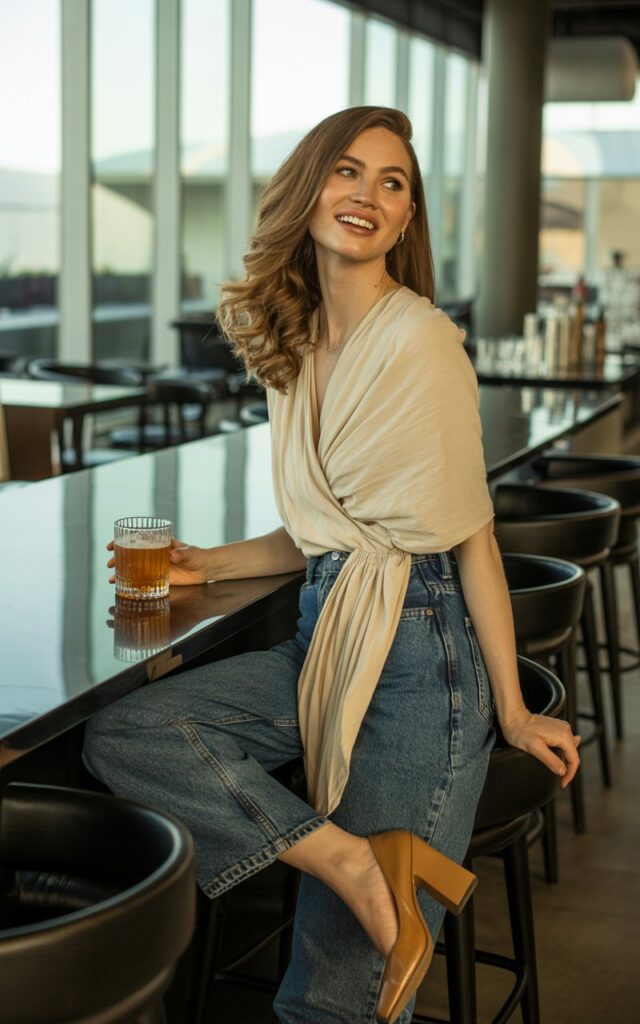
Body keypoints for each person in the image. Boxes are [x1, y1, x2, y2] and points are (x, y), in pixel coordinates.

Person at [83, 106, 580, 1024]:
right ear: (309, 186)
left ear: (404, 219)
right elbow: (328, 530)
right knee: (129, 735)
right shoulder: (301, 344)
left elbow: (470, 536)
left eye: (393, 184)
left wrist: (511, 711)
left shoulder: (420, 338)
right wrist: (207, 565)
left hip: (422, 661)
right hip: (330, 636)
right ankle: (347, 856)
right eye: (349, 171)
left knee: (331, 998)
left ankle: (355, 862)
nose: (369, 195)